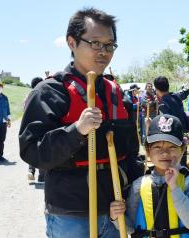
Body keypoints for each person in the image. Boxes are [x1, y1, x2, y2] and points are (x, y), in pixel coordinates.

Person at [19, 8, 141, 238]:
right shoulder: (49, 92)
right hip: (71, 215)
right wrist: (76, 130)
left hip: (117, 210)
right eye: (95, 43)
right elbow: (32, 151)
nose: (103, 52)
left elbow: (132, 152)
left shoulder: (118, 94)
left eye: (109, 45)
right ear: (72, 42)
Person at [110, 115, 189, 237]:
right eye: (157, 147)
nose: (165, 153)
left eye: (172, 147)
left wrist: (174, 187)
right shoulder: (138, 185)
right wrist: (116, 217)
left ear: (182, 149)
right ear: (148, 151)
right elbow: (130, 228)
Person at [153, 76, 189, 166]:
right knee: (182, 162)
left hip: (174, 136)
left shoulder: (163, 104)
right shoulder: (176, 96)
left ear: (157, 89)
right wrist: (184, 87)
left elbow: (164, 126)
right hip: (184, 132)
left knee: (175, 164)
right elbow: (185, 92)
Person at [24, 77, 46, 182]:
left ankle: (31, 171)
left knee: (32, 149)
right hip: (41, 126)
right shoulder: (43, 94)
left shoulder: (28, 96)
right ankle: (42, 176)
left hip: (29, 126)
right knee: (42, 148)